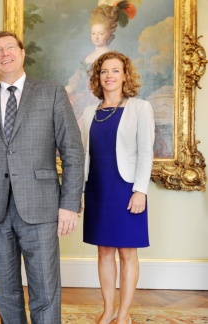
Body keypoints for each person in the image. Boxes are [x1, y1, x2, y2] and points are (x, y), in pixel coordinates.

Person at [0, 31, 85, 323]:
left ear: (22, 52)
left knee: (45, 289)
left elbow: (73, 152)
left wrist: (69, 204)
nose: (4, 54)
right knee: (4, 290)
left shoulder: (52, 93)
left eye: (9, 47)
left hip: (42, 208)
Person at [81, 51, 154, 324]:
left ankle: (124, 314)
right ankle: (108, 309)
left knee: (127, 251)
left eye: (115, 70)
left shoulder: (140, 107)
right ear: (97, 77)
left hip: (126, 189)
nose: (109, 76)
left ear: (125, 75)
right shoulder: (89, 112)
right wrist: (80, 192)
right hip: (98, 189)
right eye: (103, 71)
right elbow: (84, 155)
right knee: (103, 251)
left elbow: (146, 152)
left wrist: (140, 190)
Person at [65, 3, 136, 128]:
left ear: (108, 34)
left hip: (100, 101)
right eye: (93, 33)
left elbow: (115, 86)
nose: (96, 37)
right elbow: (74, 82)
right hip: (81, 101)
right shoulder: (87, 56)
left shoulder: (111, 58)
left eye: (101, 33)